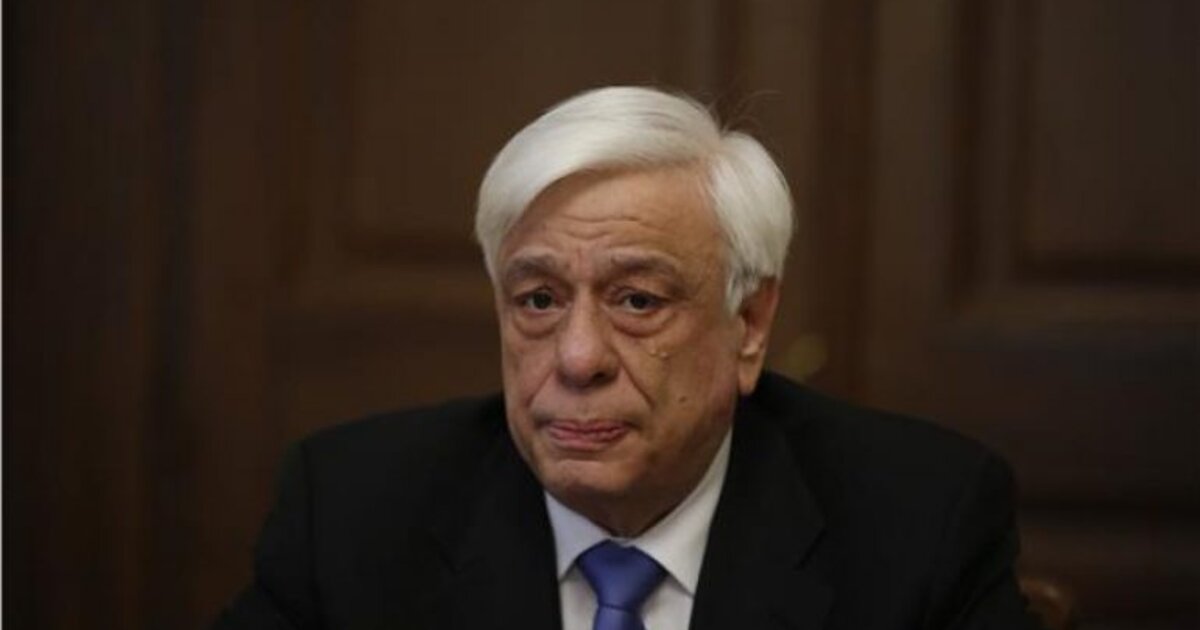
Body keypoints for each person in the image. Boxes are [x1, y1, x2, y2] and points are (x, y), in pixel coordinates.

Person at [216, 86, 1045, 629]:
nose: (578, 359)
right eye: (538, 300)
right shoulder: (354, 512)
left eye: (638, 301)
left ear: (750, 323)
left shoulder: (919, 522)